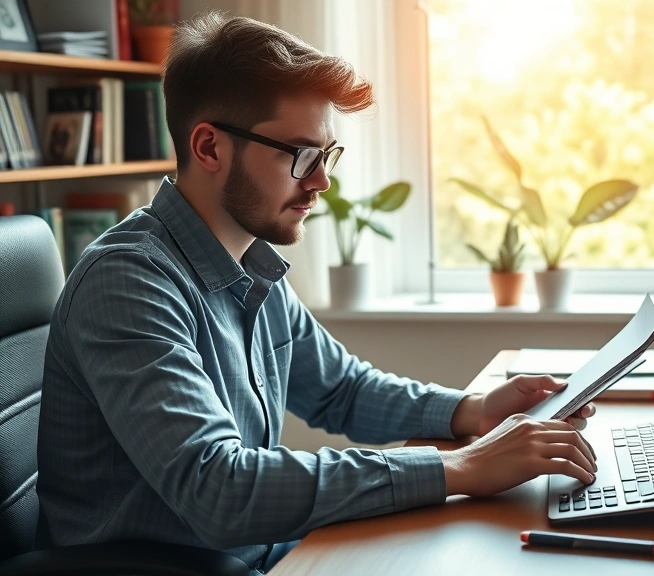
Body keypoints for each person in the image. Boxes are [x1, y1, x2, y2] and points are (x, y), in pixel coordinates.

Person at [37, 12, 597, 574]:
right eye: (301, 155)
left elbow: (342, 391)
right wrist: (460, 467)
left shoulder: (250, 263)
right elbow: (218, 488)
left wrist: (472, 411)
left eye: (326, 155)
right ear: (208, 147)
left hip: (263, 555)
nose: (321, 181)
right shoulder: (128, 283)